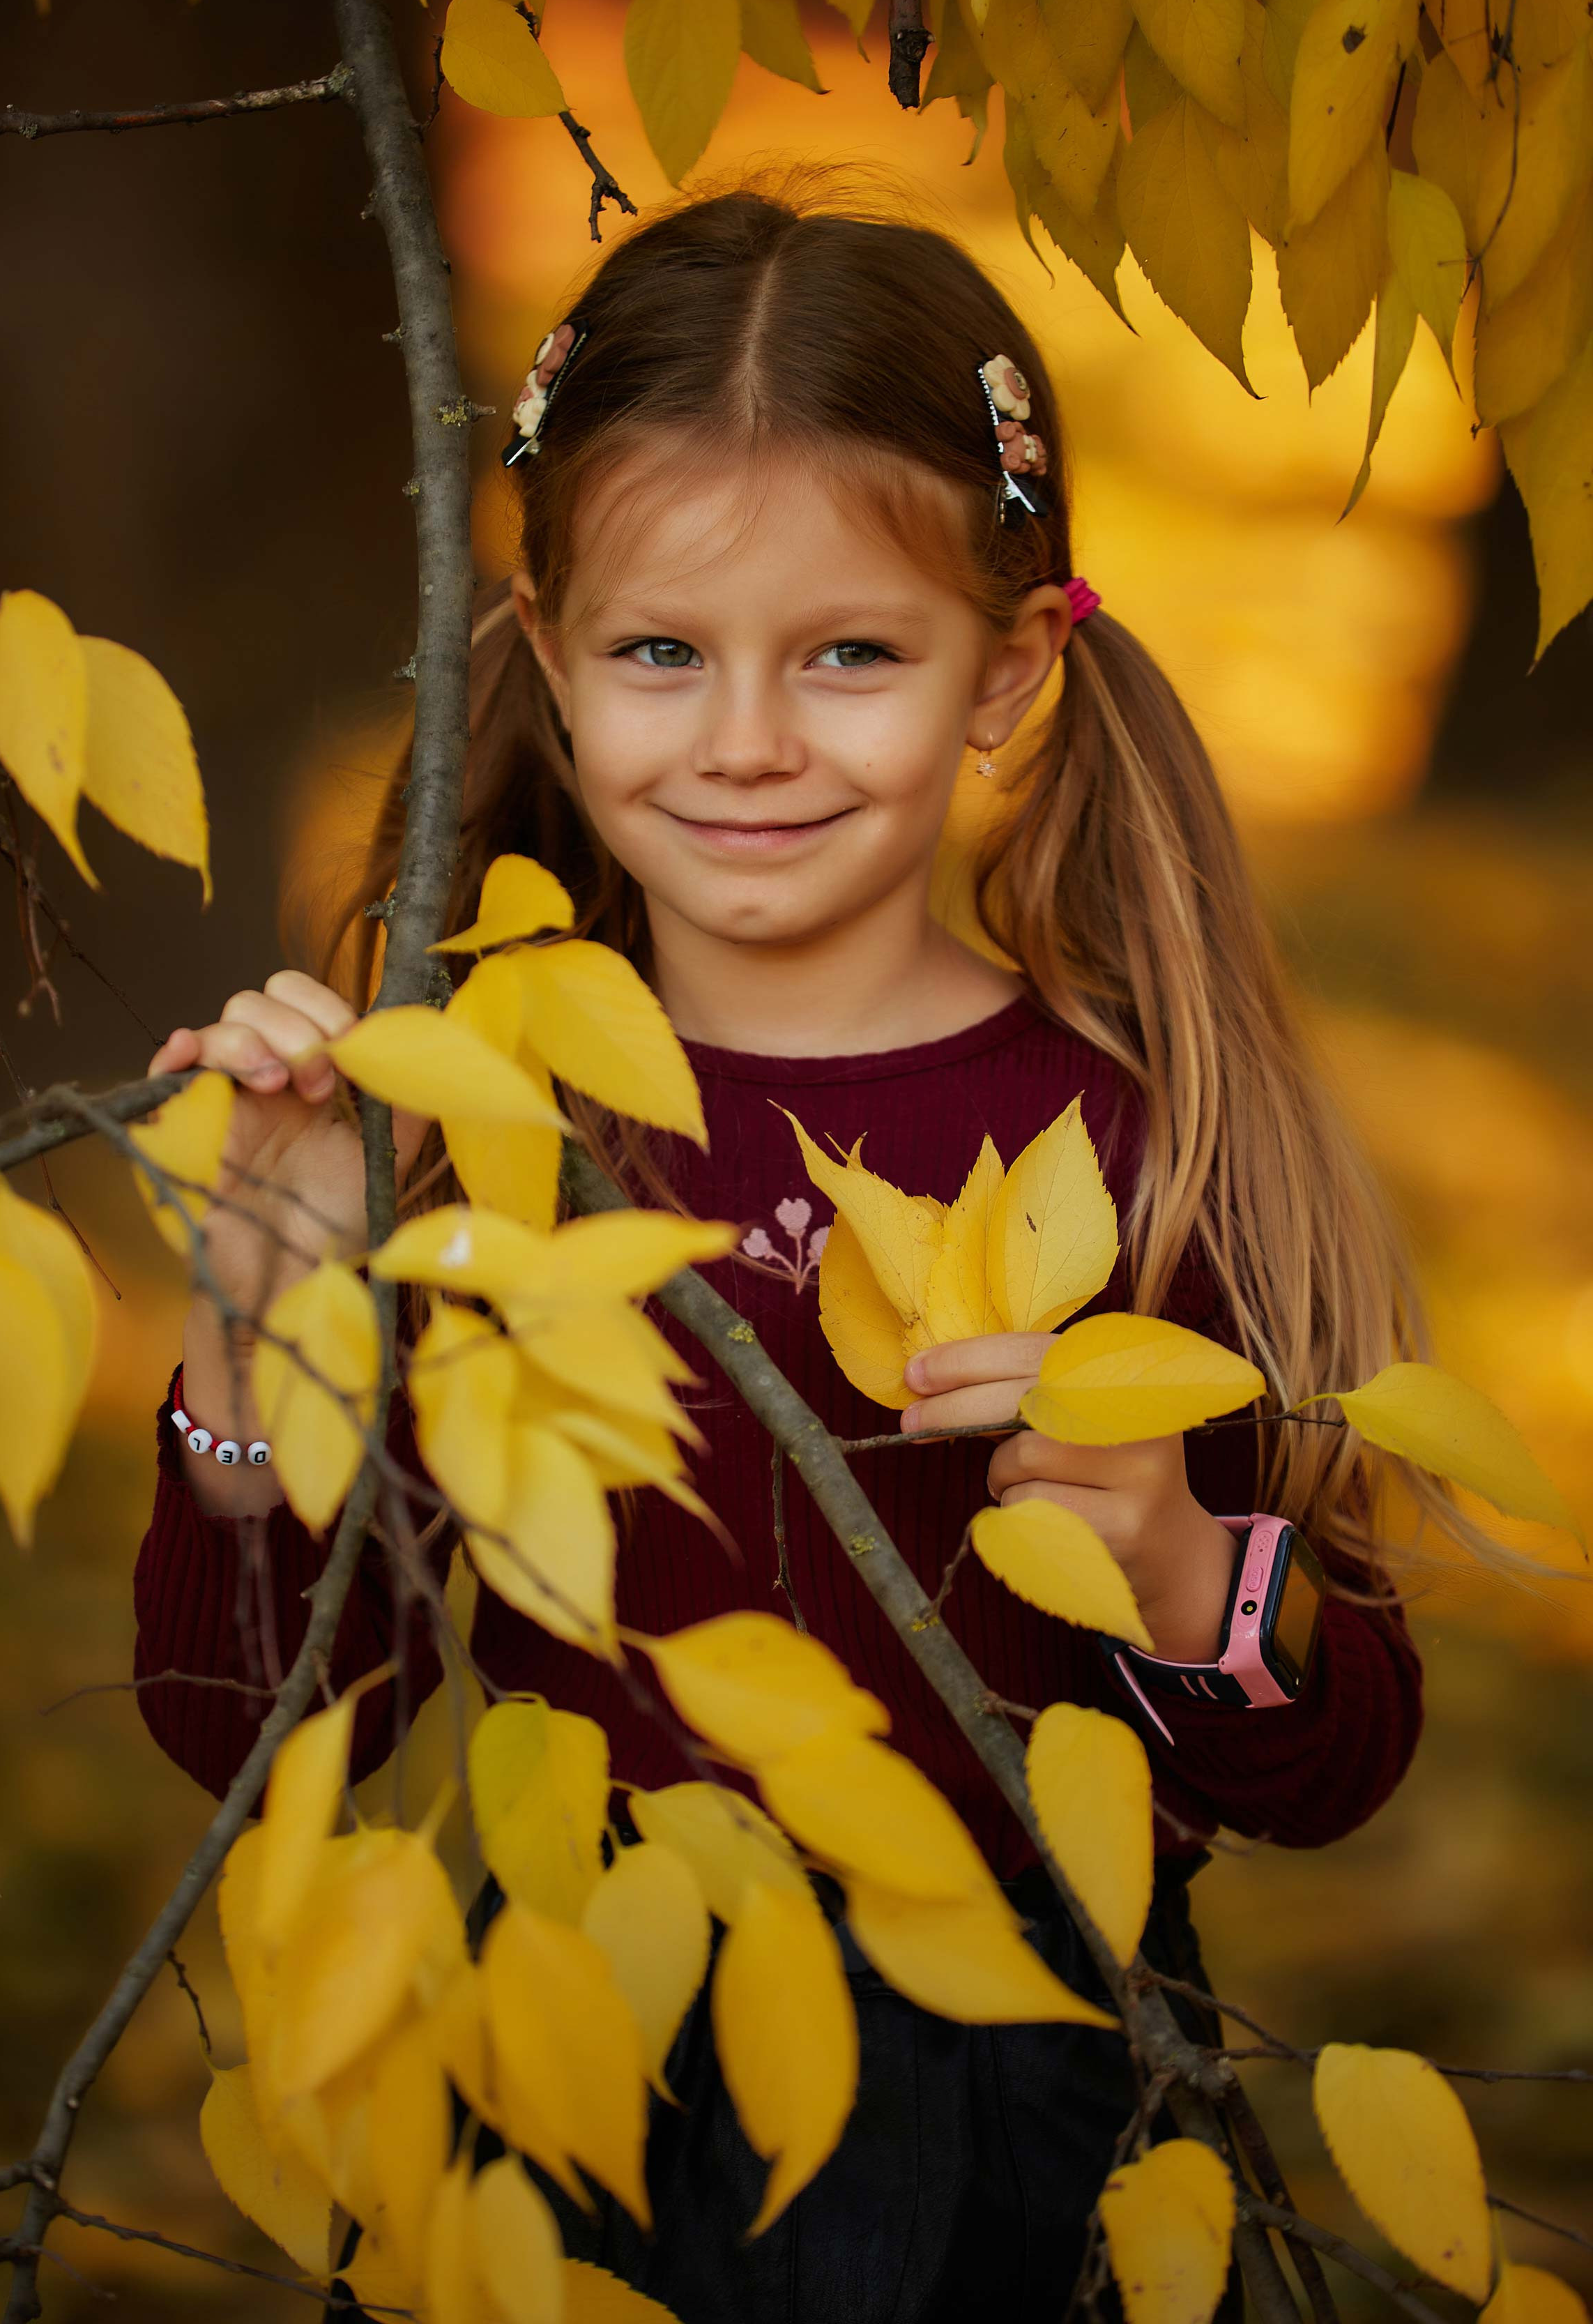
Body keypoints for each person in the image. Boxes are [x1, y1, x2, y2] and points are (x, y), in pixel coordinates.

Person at [133, 180, 1428, 2323]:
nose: (745, 739)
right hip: (579, 2065)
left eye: (849, 654)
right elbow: (264, 1732)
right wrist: (254, 1352)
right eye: (661, 650)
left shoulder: (1133, 1136)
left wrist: (1183, 1564)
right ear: (544, 659)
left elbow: (1341, 1754)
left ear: (1007, 672)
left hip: (1031, 2103)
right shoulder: (472, 1123)